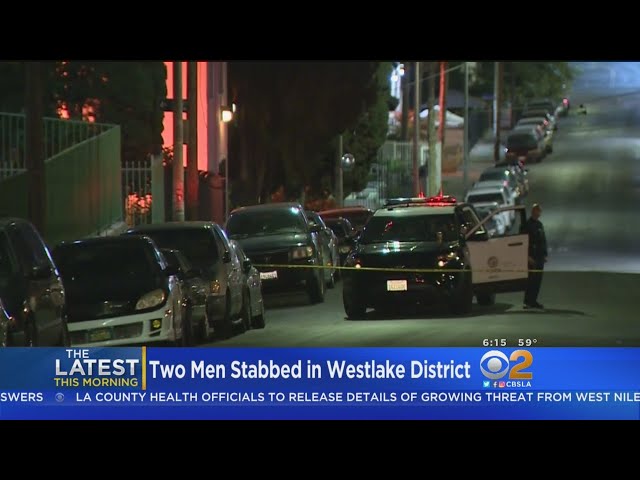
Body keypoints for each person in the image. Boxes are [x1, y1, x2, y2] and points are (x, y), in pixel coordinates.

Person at [522, 203, 547, 309]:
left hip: (539, 256)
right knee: (530, 280)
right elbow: (523, 242)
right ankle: (527, 301)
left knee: (537, 281)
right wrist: (527, 256)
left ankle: (533, 300)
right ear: (533, 212)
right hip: (531, 256)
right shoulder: (527, 225)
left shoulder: (539, 224)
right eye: (537, 211)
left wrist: (544, 254)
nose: (539, 213)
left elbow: (543, 240)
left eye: (540, 211)